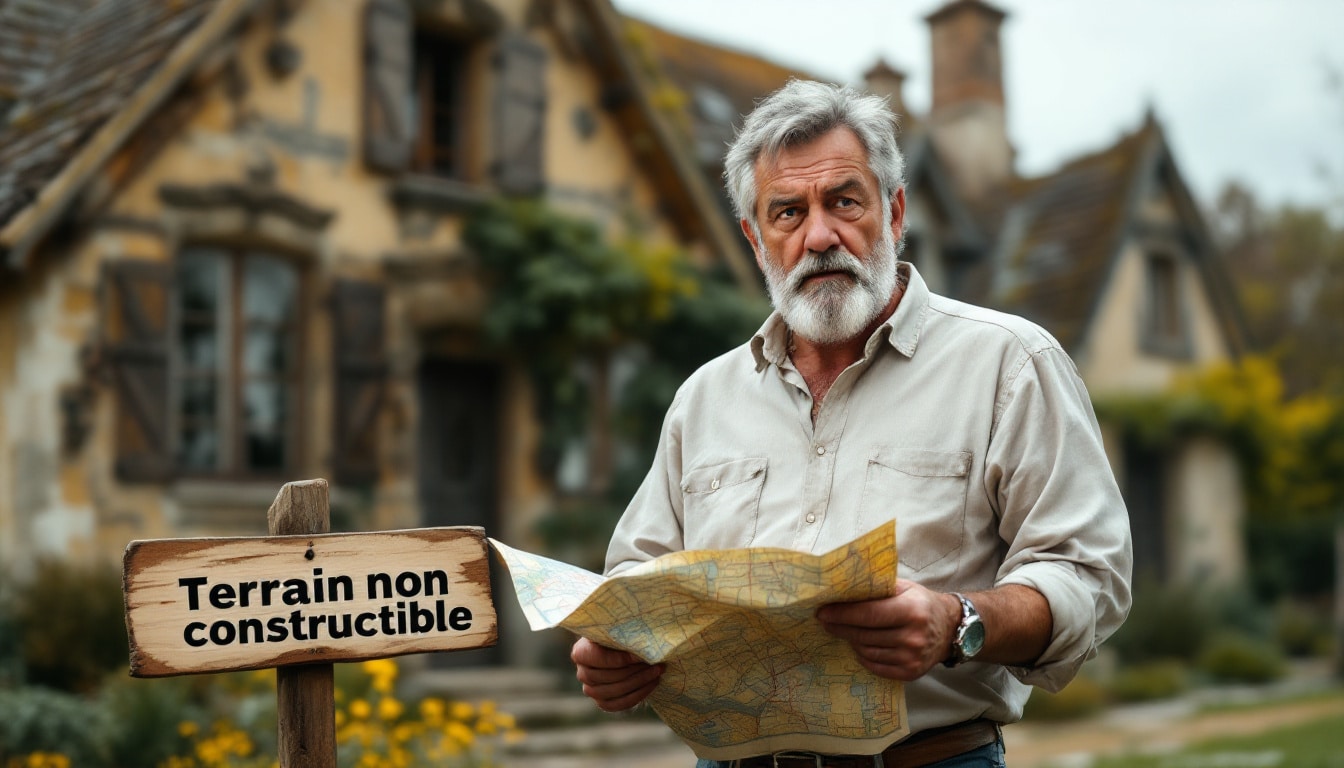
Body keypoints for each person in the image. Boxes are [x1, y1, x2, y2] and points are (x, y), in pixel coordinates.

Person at [570, 79, 1132, 768]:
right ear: (755, 239)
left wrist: (960, 623)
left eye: (843, 201)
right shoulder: (704, 398)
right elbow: (636, 576)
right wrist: (613, 654)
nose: (819, 235)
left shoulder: (1010, 363)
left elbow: (1089, 577)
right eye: (787, 212)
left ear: (894, 212)